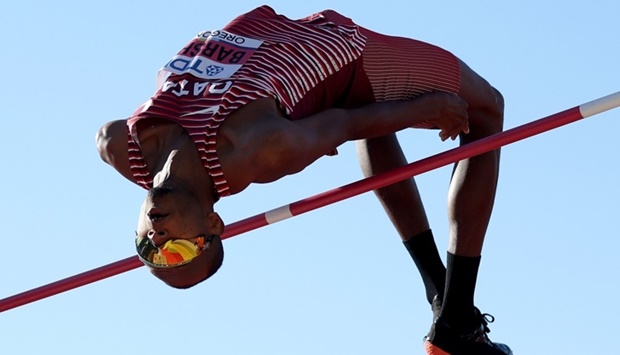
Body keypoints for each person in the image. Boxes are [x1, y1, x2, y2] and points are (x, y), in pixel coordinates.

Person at [96, 6, 509, 355]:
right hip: (346, 56)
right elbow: (347, 122)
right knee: (487, 108)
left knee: (367, 113)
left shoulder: (121, 147)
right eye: (180, 251)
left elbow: (108, 133)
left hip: (269, 35)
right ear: (213, 224)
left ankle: (442, 298)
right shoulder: (254, 152)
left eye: (149, 250)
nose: (161, 240)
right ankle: (455, 310)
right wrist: (430, 107)